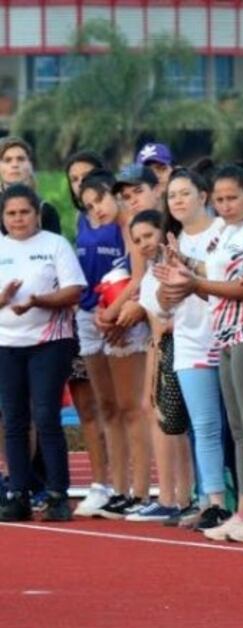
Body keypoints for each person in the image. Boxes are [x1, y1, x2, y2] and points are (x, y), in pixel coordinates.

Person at [174, 165, 243, 543]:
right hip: (224, 333)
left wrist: (196, 281)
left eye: (232, 197)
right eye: (219, 199)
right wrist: (184, 269)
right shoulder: (221, 233)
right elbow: (210, 283)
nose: (225, 205)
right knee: (237, 429)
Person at [0, 184, 86, 522]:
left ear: (37, 214)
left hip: (49, 342)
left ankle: (56, 494)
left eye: (24, 212)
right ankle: (19, 493)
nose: (18, 219)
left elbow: (74, 290)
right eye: (11, 213)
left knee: (47, 416)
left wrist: (39, 301)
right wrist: (4, 299)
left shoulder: (55, 245)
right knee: (14, 420)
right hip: (6, 344)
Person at [154, 169, 230, 530]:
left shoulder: (224, 232)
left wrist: (190, 271)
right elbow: (159, 305)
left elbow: (229, 280)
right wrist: (167, 288)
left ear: (204, 195)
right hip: (190, 342)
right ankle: (212, 501)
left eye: (185, 193)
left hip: (230, 336)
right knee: (204, 426)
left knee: (241, 427)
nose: (178, 201)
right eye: (172, 196)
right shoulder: (171, 243)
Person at [76, 170, 153, 518]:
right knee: (111, 407)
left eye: (101, 200)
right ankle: (118, 489)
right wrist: (106, 311)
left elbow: (139, 279)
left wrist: (113, 311)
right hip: (107, 314)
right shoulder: (108, 226)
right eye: (89, 206)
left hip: (128, 319)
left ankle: (140, 491)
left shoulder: (133, 225)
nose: (97, 210)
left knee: (131, 407)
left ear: (115, 195)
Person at [127, 210, 196, 523]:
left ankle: (186, 496)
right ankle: (174, 496)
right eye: (137, 239)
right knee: (161, 415)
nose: (143, 243)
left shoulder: (177, 266)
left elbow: (170, 319)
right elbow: (155, 326)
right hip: (161, 350)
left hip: (183, 349)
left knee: (180, 423)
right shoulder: (151, 273)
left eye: (149, 235)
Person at [60, 151, 112, 518]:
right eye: (75, 178)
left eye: (88, 176)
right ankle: (100, 483)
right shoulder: (79, 221)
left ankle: (126, 484)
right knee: (89, 408)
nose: (82, 184)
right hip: (84, 321)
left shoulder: (120, 221)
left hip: (121, 322)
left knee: (123, 408)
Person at [0, 136, 61, 235]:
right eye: (7, 160)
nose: (15, 165)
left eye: (21, 159)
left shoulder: (44, 209)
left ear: (30, 164)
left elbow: (54, 247)